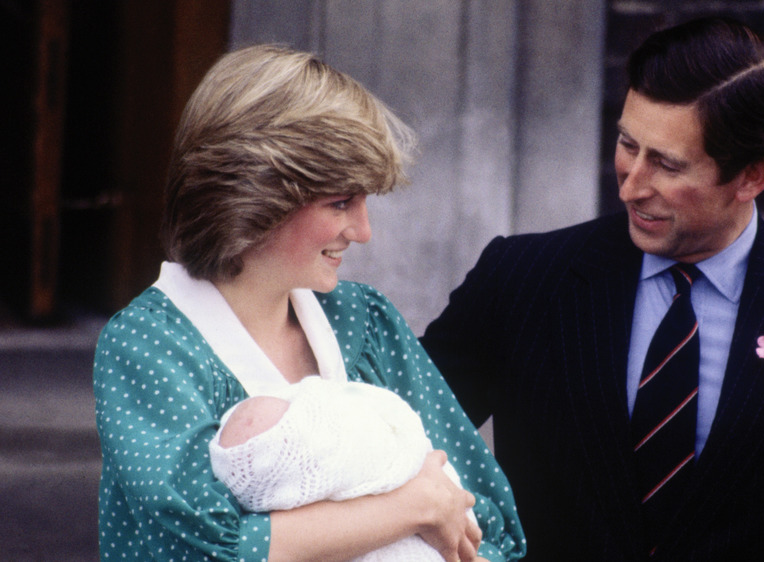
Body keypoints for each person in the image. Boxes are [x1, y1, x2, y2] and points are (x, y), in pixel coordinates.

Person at [421, 17, 764, 561]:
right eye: (628, 144)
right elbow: (395, 447)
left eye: (668, 165)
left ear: (752, 177)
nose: (631, 185)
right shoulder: (520, 277)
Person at [92, 44, 525, 562]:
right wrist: (410, 508)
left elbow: (489, 527)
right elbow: (205, 550)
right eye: (340, 202)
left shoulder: (365, 321)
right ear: (253, 195)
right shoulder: (148, 347)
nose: (362, 232)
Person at [209, 376, 478, 562]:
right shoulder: (177, 363)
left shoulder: (367, 319)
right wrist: (419, 503)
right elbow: (211, 545)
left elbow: (487, 526)